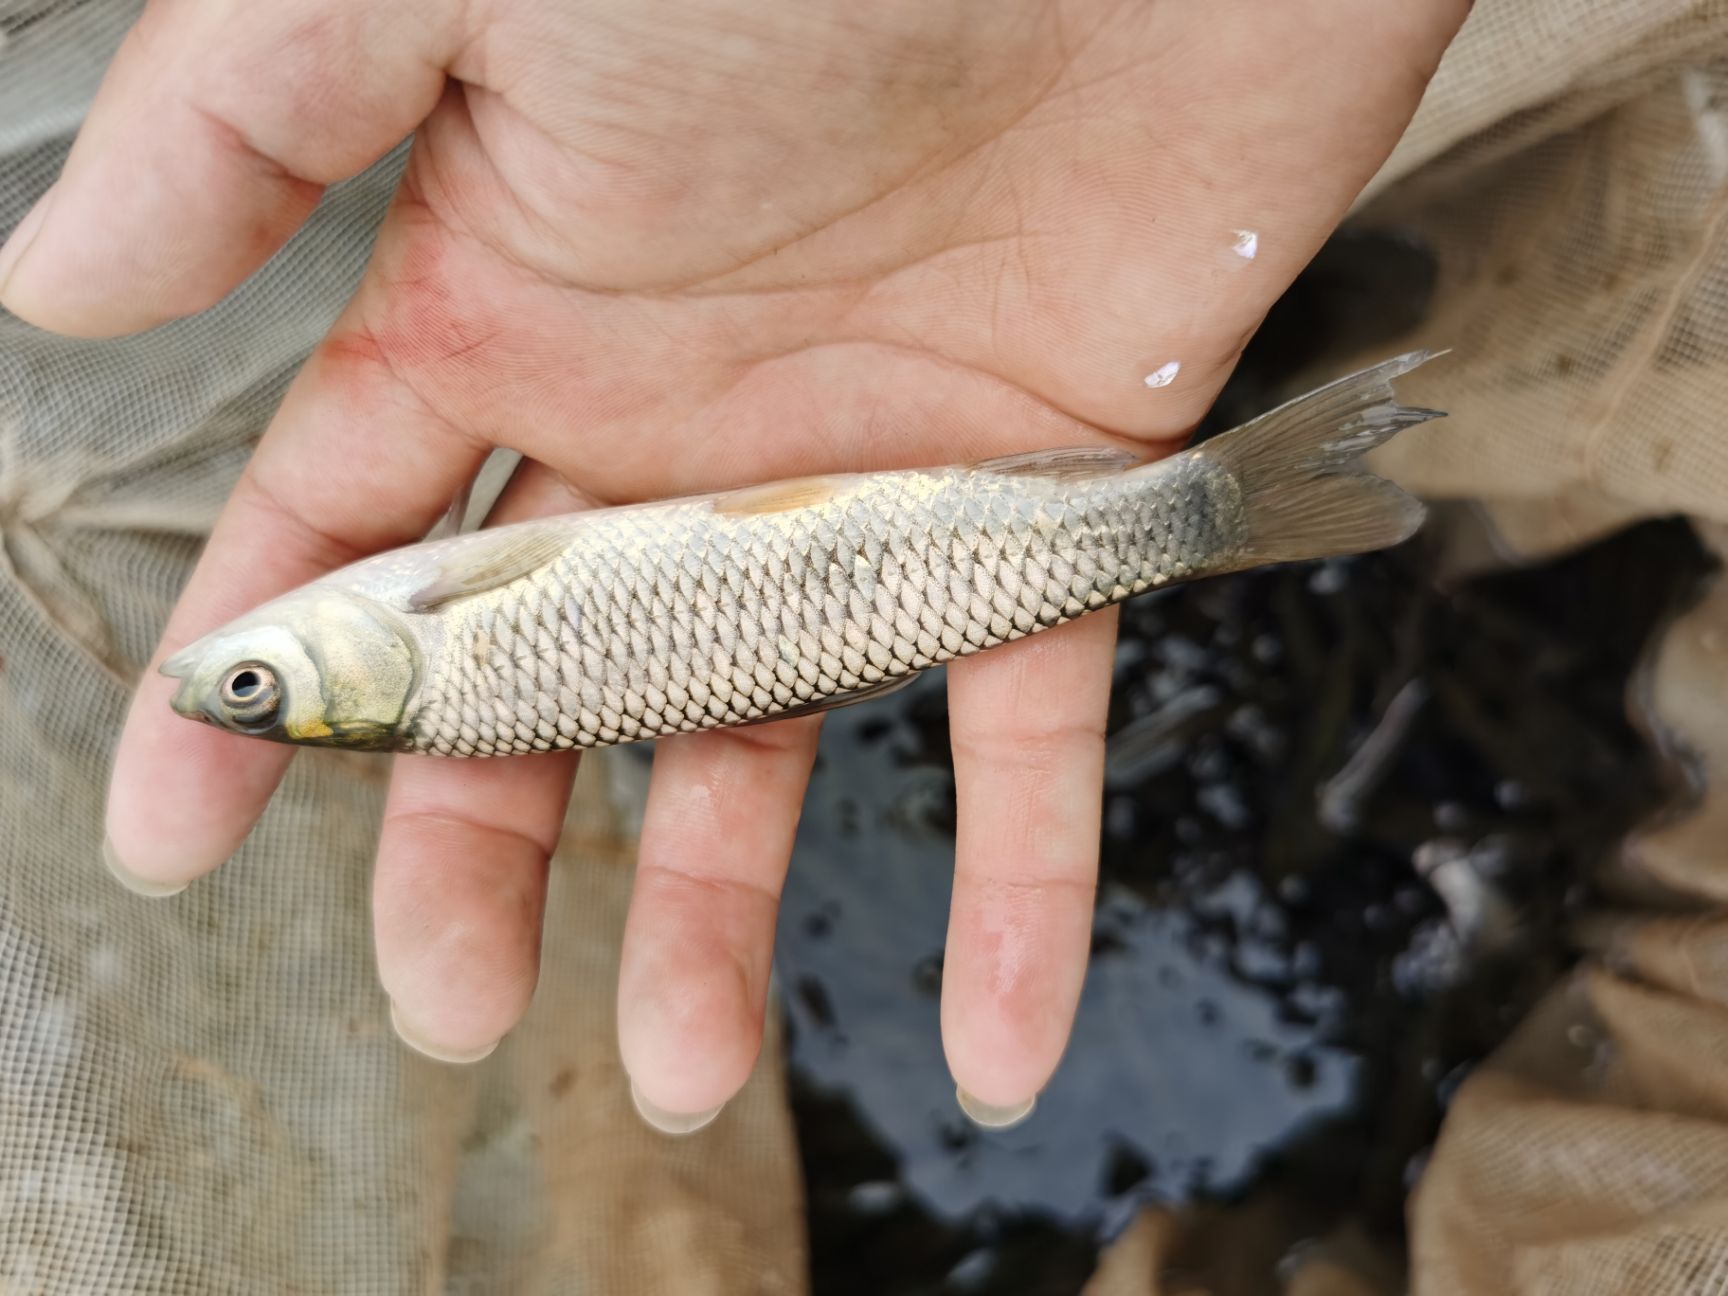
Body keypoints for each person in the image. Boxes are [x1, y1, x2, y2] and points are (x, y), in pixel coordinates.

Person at [0, 0, 1470, 1137]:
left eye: (254, 680)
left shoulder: (422, 653)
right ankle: (1219, 506)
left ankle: (1234, 500)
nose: (225, 666)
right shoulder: (428, 648)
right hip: (862, 575)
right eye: (255, 684)